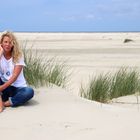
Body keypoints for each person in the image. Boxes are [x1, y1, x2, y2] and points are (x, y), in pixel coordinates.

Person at [0, 31, 34, 112]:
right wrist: (1, 52)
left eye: (10, 42)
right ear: (1, 43)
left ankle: (5, 103)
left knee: (29, 92)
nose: (8, 44)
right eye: (5, 42)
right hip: (3, 86)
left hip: (16, 88)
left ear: (13, 44)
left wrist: (1, 88)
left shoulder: (18, 55)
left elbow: (14, 76)